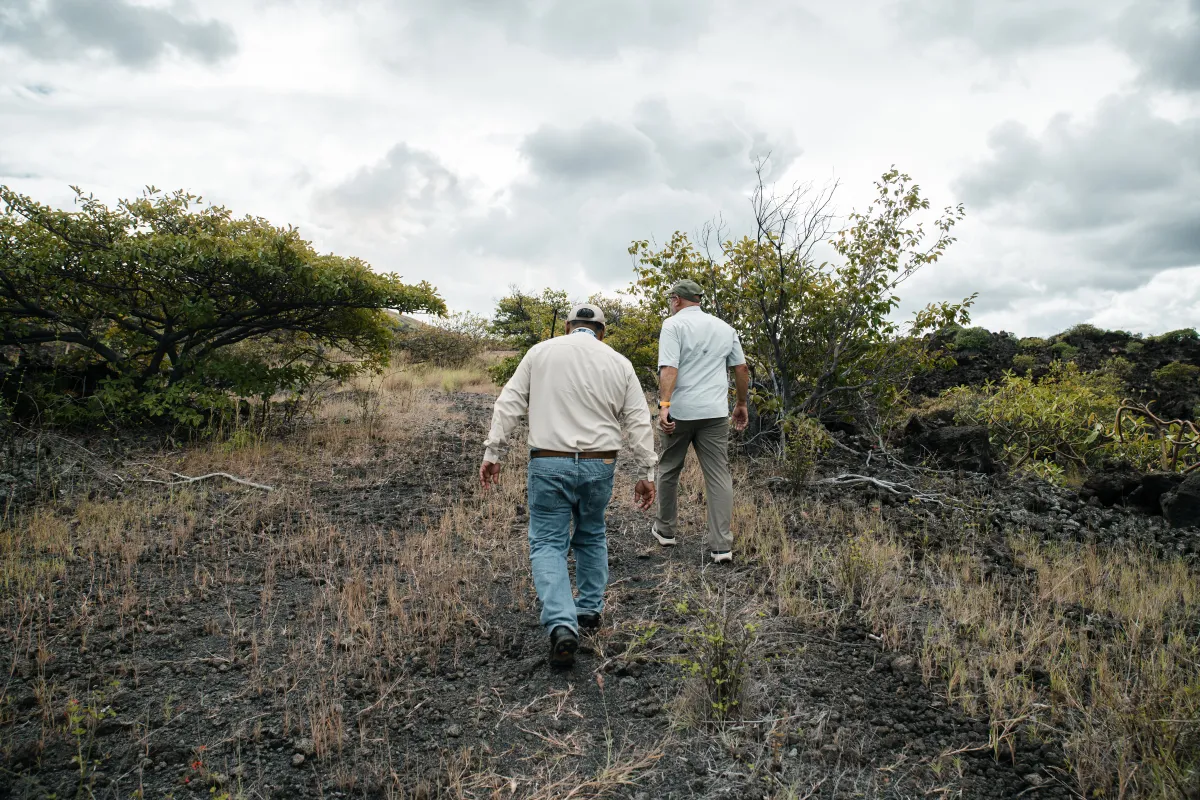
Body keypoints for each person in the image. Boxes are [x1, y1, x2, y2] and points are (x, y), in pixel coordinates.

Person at [480, 304, 657, 669]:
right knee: (591, 533)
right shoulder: (618, 362)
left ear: (567, 327)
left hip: (548, 460)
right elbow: (638, 419)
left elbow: (509, 402)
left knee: (547, 541)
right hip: (600, 464)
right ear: (601, 331)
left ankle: (562, 624)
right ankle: (589, 610)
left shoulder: (540, 352)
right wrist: (646, 471)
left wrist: (493, 449)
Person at [652, 279, 749, 563]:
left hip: (680, 411)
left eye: (671, 299)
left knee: (669, 468)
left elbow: (669, 367)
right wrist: (741, 403)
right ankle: (722, 546)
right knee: (718, 475)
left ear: (677, 300)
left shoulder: (673, 325)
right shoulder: (724, 328)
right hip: (715, 412)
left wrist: (664, 405)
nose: (671, 303)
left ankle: (666, 530)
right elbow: (741, 367)